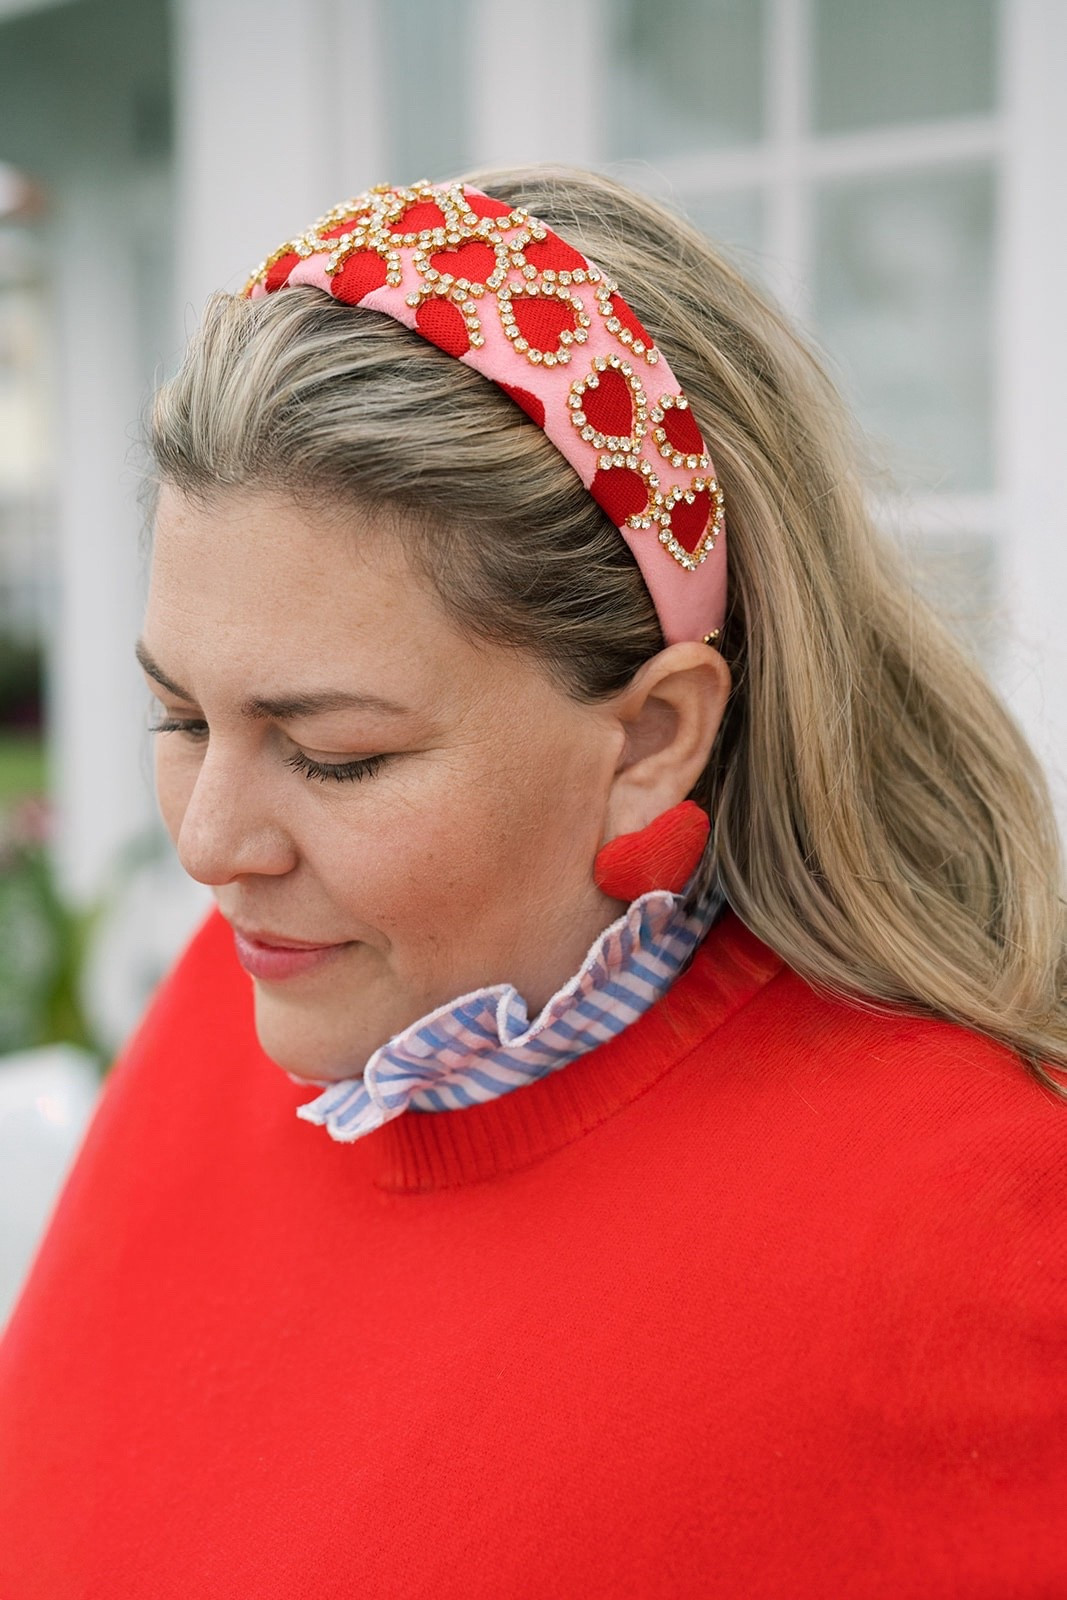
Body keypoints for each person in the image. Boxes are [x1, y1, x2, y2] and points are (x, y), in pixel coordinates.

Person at [1, 168, 1065, 1599]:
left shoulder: (971, 1235)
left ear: (649, 737)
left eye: (335, 756)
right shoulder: (259, 995)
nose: (210, 847)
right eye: (183, 721)